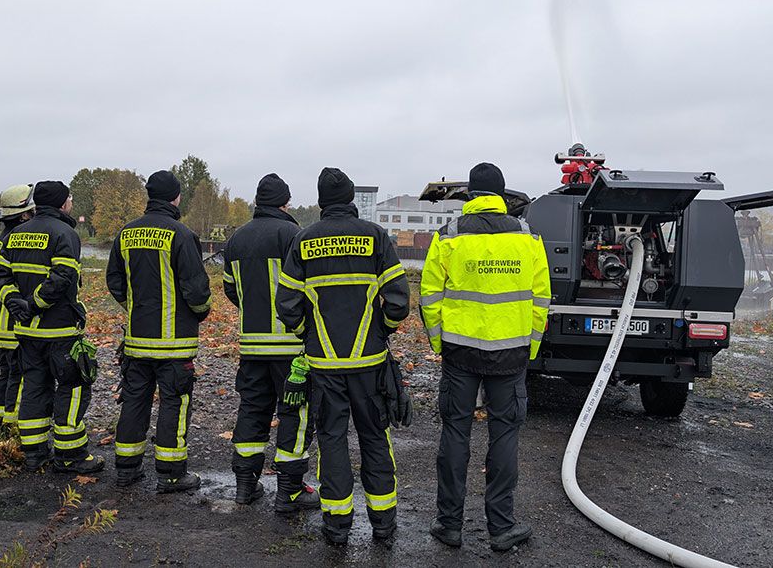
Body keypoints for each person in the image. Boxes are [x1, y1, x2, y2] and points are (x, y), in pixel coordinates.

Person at [276, 167, 411, 545]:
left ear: (321, 201)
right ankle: (383, 523)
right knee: (374, 438)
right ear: (351, 198)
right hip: (369, 364)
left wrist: (309, 335)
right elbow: (399, 301)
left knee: (332, 440)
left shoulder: (303, 240)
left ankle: (337, 525)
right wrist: (382, 331)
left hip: (324, 366)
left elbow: (286, 304)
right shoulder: (375, 236)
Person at [420, 162, 551, 551]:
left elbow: (429, 297)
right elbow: (541, 298)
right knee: (505, 434)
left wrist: (439, 342)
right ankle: (501, 526)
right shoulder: (528, 239)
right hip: (510, 355)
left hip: (461, 353)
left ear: (471, 195)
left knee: (456, 432)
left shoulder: (449, 237)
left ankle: (449, 525)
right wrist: (531, 345)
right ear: (501, 195)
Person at [106, 170, 211, 493]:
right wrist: (202, 312)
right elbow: (196, 289)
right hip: (174, 345)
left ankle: (126, 468)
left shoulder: (126, 233)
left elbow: (115, 281)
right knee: (174, 404)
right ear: (176, 197)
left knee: (134, 402)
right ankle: (171, 474)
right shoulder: (181, 234)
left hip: (137, 341)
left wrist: (136, 309)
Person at [0, 180, 103, 475]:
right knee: (74, 386)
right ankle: (71, 455)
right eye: (69, 198)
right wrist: (35, 304)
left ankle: (34, 454)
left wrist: (15, 303)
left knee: (34, 389)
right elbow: (63, 277)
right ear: (62, 203)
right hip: (60, 330)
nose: (71, 202)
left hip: (26, 333)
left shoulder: (14, 235)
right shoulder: (65, 233)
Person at [223, 173, 319, 511]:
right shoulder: (294, 234)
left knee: (251, 410)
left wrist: (253, 311)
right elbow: (306, 289)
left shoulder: (236, 239)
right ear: (285, 203)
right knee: (295, 413)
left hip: (251, 345)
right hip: (291, 346)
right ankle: (290, 491)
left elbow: (230, 288)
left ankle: (244, 487)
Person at [0, 183, 35, 435]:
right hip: (14, 322)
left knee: (6, 374)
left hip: (2, 321)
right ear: (24, 214)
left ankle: (1, 423)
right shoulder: (17, 240)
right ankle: (10, 428)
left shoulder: (3, 238)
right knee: (18, 375)